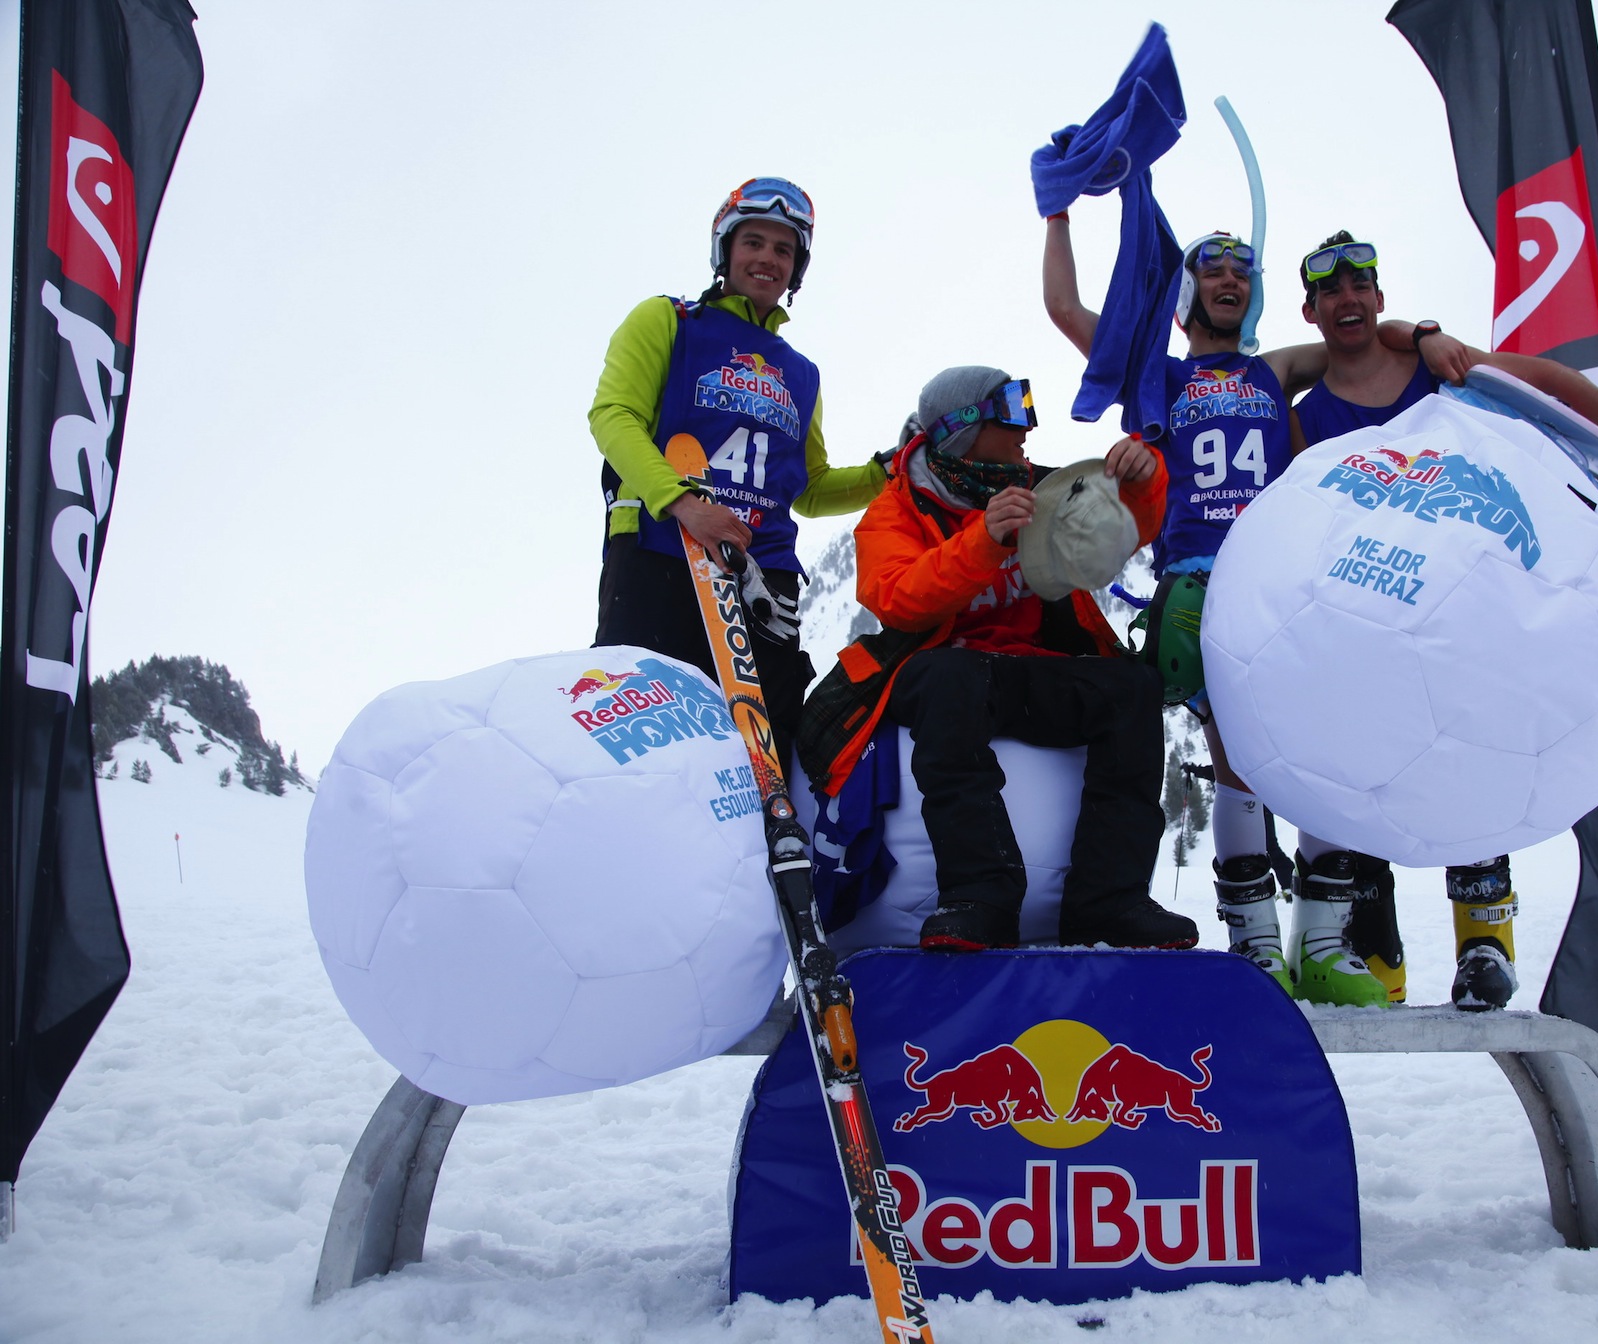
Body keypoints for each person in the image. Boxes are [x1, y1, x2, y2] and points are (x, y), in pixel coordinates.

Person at [1283, 230, 1598, 1013]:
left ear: (1380, 296)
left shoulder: (1445, 373)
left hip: (1468, 625)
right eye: (1331, 292)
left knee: (1478, 763)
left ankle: (1484, 944)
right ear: (1313, 310)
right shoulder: (1308, 415)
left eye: (1361, 284)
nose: (1348, 299)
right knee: (1355, 771)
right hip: (1364, 633)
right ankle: (1370, 947)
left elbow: (1554, 383)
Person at [1043, 216, 1425, 1004]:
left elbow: (1362, 340)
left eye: (1241, 271)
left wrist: (1420, 331)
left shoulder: (1275, 369)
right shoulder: (1163, 379)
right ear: (1188, 295)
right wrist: (1059, 215)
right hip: (1204, 582)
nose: (1229, 280)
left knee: (1321, 751)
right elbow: (1066, 310)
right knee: (1239, 759)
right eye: (1211, 271)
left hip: (1289, 572)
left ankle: (1322, 941)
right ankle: (1253, 942)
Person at [849, 365, 1194, 952]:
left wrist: (1142, 481)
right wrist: (981, 541)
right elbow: (896, 597)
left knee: (1132, 688)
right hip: (946, 668)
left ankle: (1109, 903)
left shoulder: (1042, 487)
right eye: (1010, 411)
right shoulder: (897, 510)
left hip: (1032, 669)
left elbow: (1125, 528)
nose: (1026, 429)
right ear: (961, 430)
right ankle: (979, 896)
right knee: (947, 679)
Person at [587, 177, 887, 774]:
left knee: (765, 746)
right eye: (754, 242)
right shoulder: (668, 321)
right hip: (663, 554)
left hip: (765, 576)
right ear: (726, 250)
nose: (767, 259)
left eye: (784, 250)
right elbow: (613, 417)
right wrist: (684, 503)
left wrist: (887, 473)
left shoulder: (801, 374)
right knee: (644, 732)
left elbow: (807, 487)